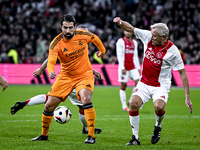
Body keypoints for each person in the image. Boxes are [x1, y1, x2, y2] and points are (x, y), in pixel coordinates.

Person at [113, 17, 193, 146]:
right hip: (144, 82)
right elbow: (131, 29)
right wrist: (121, 22)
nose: (152, 38)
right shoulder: (148, 36)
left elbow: (183, 73)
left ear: (163, 36)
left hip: (161, 85)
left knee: (159, 107)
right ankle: (135, 138)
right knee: (133, 104)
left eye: (155, 36)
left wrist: (187, 97)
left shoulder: (173, 51)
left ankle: (158, 126)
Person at [10, 24, 103, 135]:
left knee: (52, 100)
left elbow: (80, 64)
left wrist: (92, 71)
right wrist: (41, 69)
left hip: (69, 77)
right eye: (83, 32)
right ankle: (87, 130)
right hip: (72, 79)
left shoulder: (81, 43)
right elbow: (51, 58)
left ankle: (26, 103)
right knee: (83, 105)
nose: (86, 36)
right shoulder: (65, 42)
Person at [31, 14, 106, 144]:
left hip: (84, 74)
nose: (68, 31)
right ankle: (44, 135)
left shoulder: (83, 34)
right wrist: (51, 71)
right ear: (61, 27)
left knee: (86, 98)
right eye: (65, 28)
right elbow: (51, 61)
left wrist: (102, 51)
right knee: (49, 105)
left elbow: (95, 38)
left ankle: (91, 136)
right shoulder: (56, 43)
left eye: (70, 28)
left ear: (74, 26)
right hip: (65, 76)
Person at [116, 30, 140, 111]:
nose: (128, 33)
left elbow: (135, 56)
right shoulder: (121, 41)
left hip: (132, 66)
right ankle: (124, 106)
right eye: (126, 31)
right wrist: (122, 67)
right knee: (123, 85)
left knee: (138, 83)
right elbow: (119, 55)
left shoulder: (134, 43)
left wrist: (138, 68)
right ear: (124, 32)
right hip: (124, 67)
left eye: (129, 31)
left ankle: (130, 101)